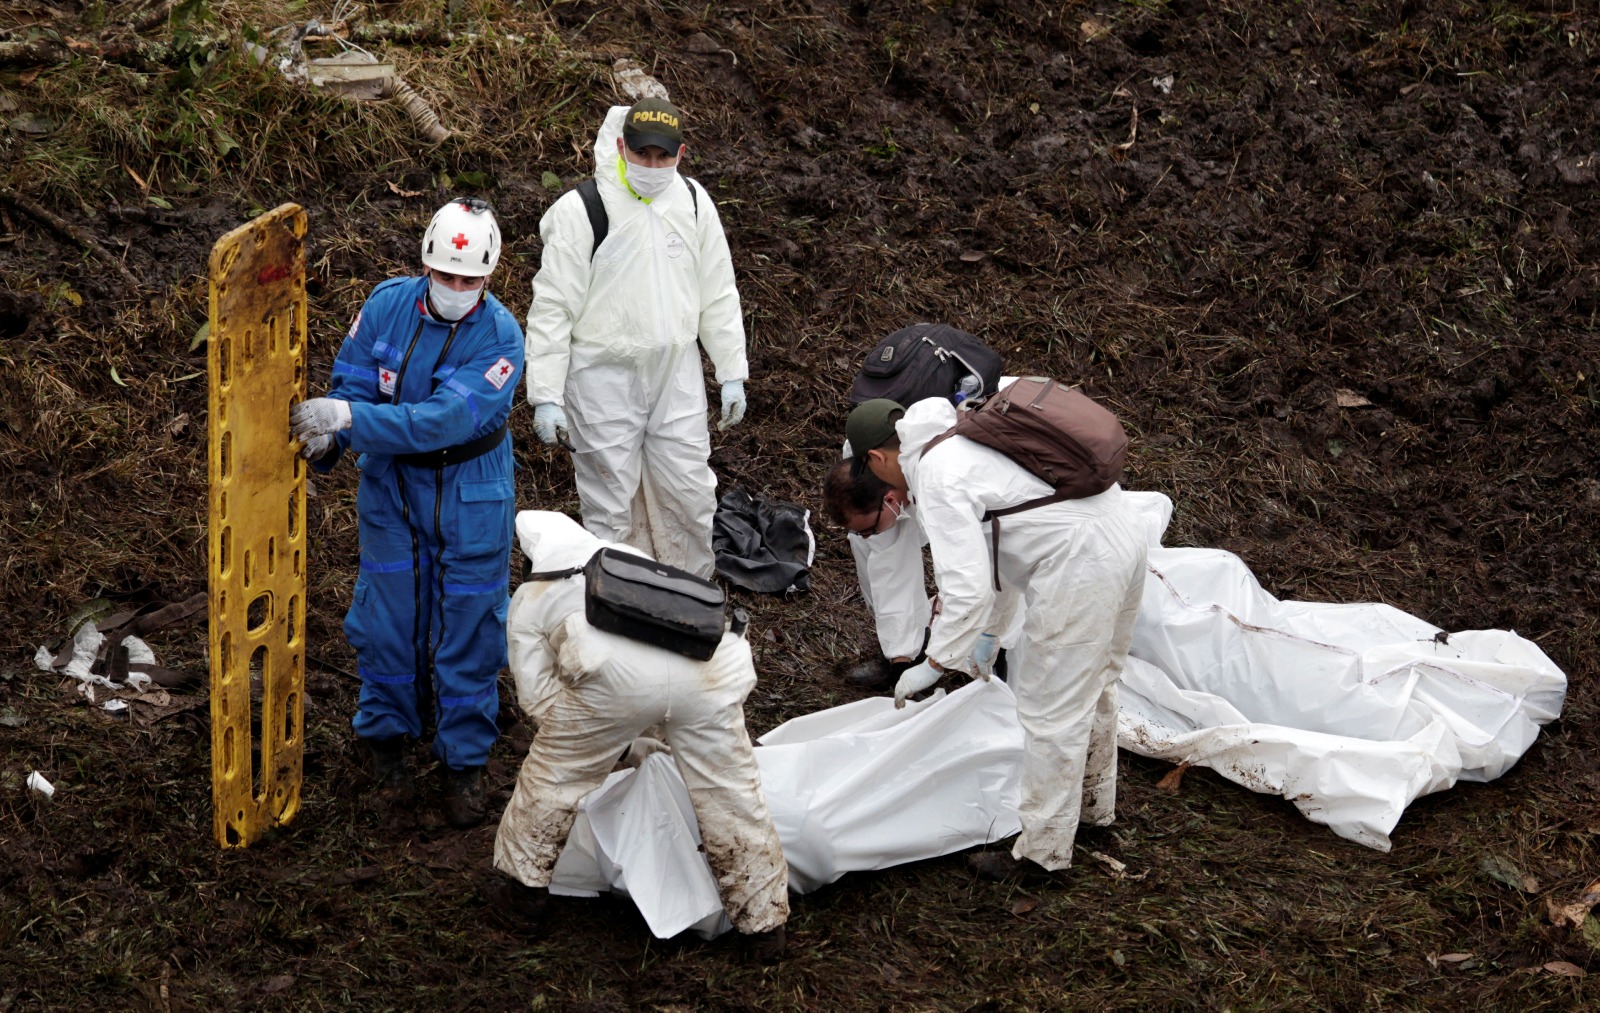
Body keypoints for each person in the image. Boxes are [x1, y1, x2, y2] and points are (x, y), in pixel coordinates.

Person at [289, 198, 524, 829]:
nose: (455, 289)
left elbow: (446, 419)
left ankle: (464, 761)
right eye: (445, 275)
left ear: (489, 277)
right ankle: (387, 737)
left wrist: (351, 421)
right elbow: (355, 376)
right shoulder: (388, 303)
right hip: (391, 485)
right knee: (387, 612)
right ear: (425, 264)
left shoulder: (500, 338)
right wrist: (331, 434)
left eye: (469, 280)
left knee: (470, 623)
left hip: (471, 489)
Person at [843, 397, 1148, 880]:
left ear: (879, 459)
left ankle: (1042, 856)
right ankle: (1093, 807)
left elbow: (964, 586)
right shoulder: (963, 433)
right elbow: (1004, 544)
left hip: (1082, 559)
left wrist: (936, 663)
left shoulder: (937, 475)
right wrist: (990, 632)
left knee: (1052, 711)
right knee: (1098, 683)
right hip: (1122, 527)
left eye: (876, 474)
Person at [491, 511, 789, 959]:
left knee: (553, 780)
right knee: (732, 795)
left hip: (612, 679)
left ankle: (521, 902)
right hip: (714, 669)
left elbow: (538, 699)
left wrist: (602, 743)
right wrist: (632, 734)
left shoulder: (533, 594)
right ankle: (765, 930)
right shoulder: (630, 559)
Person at [524, 98, 747, 578]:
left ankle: (689, 594)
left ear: (680, 153)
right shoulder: (583, 209)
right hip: (601, 376)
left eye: (663, 156)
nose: (652, 165)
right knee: (611, 499)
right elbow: (553, 307)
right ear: (621, 146)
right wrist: (545, 394)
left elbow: (718, 290)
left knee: (689, 488)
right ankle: (619, 604)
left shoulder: (691, 201)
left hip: (676, 371)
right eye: (642, 153)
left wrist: (731, 371)